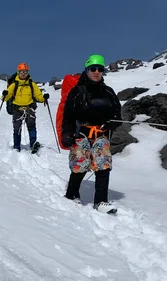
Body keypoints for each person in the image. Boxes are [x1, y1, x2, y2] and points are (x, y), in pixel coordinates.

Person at [60, 54, 122, 213]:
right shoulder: (77, 92)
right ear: (87, 70)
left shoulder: (108, 92)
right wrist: (66, 133)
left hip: (101, 134)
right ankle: (72, 194)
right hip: (81, 133)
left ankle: (101, 201)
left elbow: (117, 115)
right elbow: (68, 116)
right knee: (80, 164)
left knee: (103, 163)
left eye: (100, 69)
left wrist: (113, 122)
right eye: (93, 69)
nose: (96, 72)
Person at [1, 63, 50, 153]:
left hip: (29, 109)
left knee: (31, 127)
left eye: (25, 71)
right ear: (18, 72)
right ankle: (17, 147)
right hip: (17, 109)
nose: (23, 73)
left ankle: (33, 145)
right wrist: (4, 95)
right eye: (21, 71)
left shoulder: (32, 84)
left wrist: (44, 98)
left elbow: (38, 95)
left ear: (28, 72)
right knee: (17, 129)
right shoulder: (14, 85)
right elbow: (7, 96)